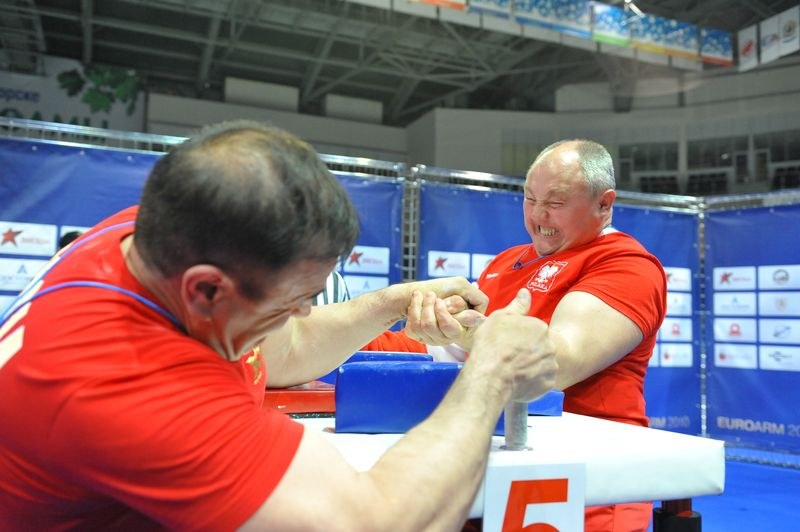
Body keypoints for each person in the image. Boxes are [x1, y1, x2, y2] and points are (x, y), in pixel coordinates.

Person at [0, 121, 558, 530]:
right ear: (206, 288)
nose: (301, 315)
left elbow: (284, 352)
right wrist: (492, 372)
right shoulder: (127, 383)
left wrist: (395, 301)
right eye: (293, 299)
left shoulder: (162, 235)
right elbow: (382, 524)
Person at [370, 139, 668, 532]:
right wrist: (344, 334)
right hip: (497, 464)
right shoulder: (507, 261)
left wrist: (465, 333)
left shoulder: (626, 265)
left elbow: (557, 363)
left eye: (556, 202)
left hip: (583, 485)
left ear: (604, 203)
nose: (538, 215)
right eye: (529, 198)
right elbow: (437, 350)